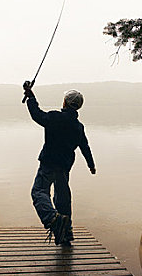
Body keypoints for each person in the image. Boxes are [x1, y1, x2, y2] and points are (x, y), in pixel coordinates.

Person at [23, 81, 96, 246]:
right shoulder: (78, 127)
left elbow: (37, 115)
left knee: (39, 192)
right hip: (64, 166)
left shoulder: (55, 117)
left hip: (48, 163)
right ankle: (66, 235)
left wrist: (31, 97)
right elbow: (85, 146)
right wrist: (91, 165)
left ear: (65, 102)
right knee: (63, 199)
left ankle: (53, 219)